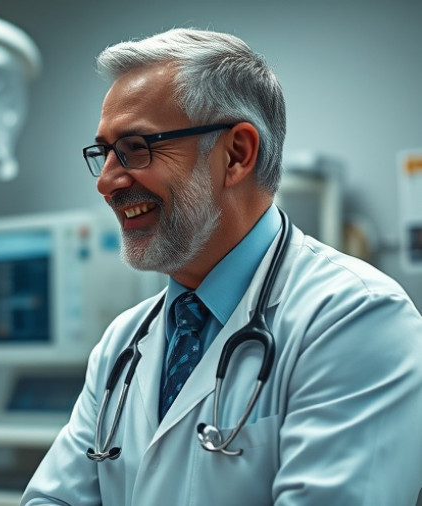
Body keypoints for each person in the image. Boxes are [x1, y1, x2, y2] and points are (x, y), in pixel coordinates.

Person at [22, 28, 422, 505]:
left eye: (135, 147)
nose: (107, 181)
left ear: (236, 154)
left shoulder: (356, 318)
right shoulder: (122, 344)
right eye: (103, 152)